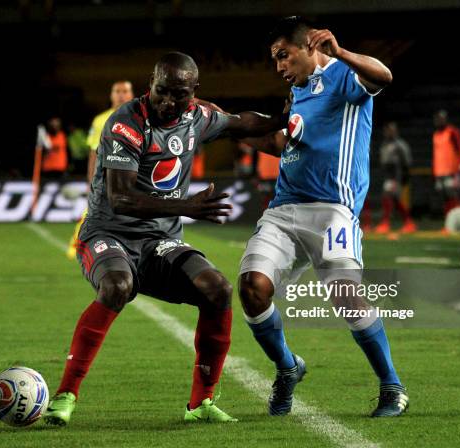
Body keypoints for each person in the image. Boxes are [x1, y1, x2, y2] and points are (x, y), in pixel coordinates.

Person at [44, 52, 288, 426]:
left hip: (160, 240)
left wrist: (280, 118)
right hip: (109, 234)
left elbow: (241, 124)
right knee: (117, 285)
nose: (167, 102)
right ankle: (65, 394)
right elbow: (120, 197)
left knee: (218, 289)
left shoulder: (198, 117)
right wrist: (186, 205)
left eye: (178, 95)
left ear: (193, 93)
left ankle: (201, 403)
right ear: (151, 84)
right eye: (161, 91)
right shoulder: (126, 123)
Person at [237, 16, 408, 418]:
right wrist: (222, 126)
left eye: (283, 56)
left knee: (347, 295)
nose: (279, 66)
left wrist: (342, 52)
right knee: (251, 288)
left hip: (333, 210)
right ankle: (287, 367)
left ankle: (392, 387)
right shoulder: (299, 92)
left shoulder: (343, 76)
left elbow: (383, 75)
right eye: (274, 59)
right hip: (283, 209)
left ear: (309, 47)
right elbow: (284, 144)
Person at [66, 81, 135, 260]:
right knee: (91, 211)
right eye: (117, 91)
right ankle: (78, 244)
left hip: (132, 177)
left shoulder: (139, 118)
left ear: (131, 94)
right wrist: (91, 180)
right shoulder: (100, 120)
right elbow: (93, 153)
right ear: (111, 95)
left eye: (125, 91)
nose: (121, 95)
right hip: (105, 177)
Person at [374, 121, 417, 234]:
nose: (389, 132)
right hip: (387, 175)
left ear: (396, 131)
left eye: (391, 130)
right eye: (387, 130)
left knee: (387, 197)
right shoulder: (384, 144)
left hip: (396, 175)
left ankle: (386, 223)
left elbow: (407, 162)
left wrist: (403, 177)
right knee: (395, 200)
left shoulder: (400, 145)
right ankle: (409, 223)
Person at [432, 110, 460, 229]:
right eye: (437, 119)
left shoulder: (452, 132)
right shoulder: (435, 134)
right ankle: (449, 224)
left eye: (441, 119)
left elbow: (459, 150)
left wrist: (458, 169)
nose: (438, 121)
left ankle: (457, 224)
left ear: (446, 119)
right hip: (439, 172)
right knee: (444, 199)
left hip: (451, 171)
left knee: (453, 197)